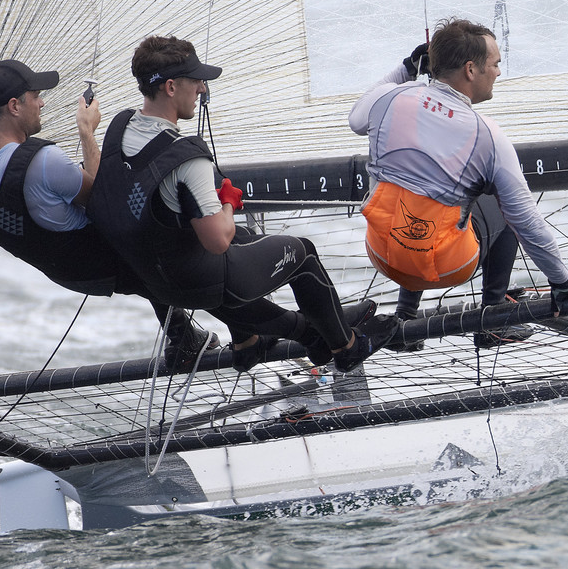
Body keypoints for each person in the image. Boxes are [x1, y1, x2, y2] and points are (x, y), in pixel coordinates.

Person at [87, 36, 392, 373]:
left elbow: (108, 186)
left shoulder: (119, 126)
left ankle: (249, 344)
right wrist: (227, 202)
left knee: (244, 236)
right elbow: (217, 240)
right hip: (200, 283)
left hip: (155, 281)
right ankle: (346, 346)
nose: (202, 89)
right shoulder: (188, 157)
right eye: (196, 80)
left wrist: (87, 133)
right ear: (171, 87)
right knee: (302, 252)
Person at [0, 58, 211, 367]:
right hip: (108, 265)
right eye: (36, 97)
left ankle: (185, 336)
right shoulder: (44, 161)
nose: (43, 103)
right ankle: (249, 335)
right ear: (15, 106)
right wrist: (87, 132)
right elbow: (109, 204)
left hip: (65, 273)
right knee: (200, 243)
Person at [347, 18, 568, 348]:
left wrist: (406, 68)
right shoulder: (488, 135)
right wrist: (562, 282)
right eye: (496, 64)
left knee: (413, 196)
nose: (499, 72)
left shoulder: (388, 99)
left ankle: (406, 315)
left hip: (382, 254)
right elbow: (527, 222)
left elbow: (355, 118)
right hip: (448, 267)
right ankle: (494, 315)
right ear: (471, 70)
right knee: (506, 206)